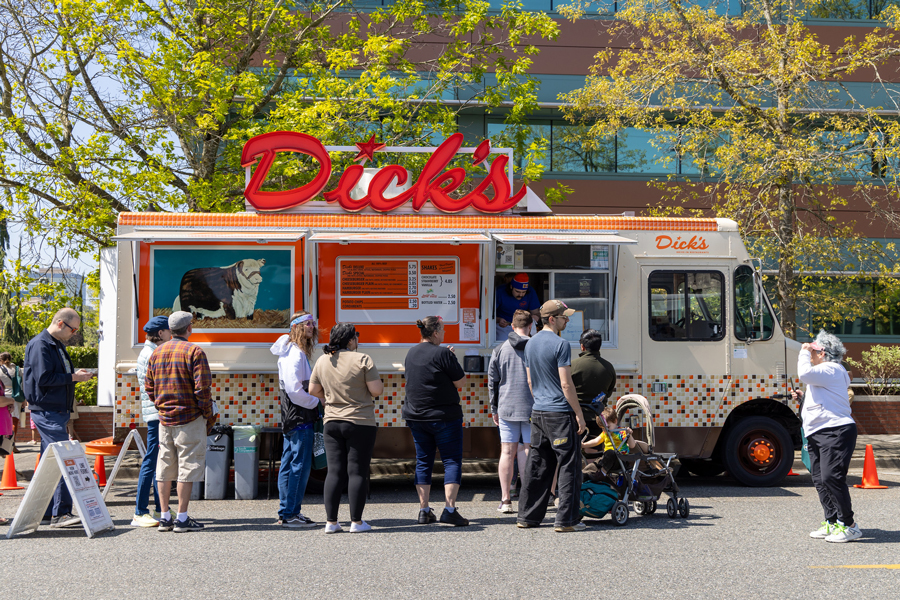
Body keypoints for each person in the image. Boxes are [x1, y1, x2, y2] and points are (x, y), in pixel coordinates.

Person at [517, 299, 587, 533]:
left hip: (539, 412)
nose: (567, 320)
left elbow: (529, 380)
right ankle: (565, 521)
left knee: (538, 464)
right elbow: (566, 385)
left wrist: (540, 402)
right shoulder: (561, 344)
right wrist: (579, 414)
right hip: (560, 413)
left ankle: (527, 516)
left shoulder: (529, 344)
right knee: (569, 465)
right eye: (564, 317)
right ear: (551, 319)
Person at [23, 307, 95, 527]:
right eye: (74, 329)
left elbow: (51, 376)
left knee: (50, 462)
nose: (75, 334)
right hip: (47, 409)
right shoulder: (41, 344)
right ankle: (61, 513)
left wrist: (74, 376)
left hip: (53, 409)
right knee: (65, 458)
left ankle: (43, 511)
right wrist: (75, 377)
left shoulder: (54, 345)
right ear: (61, 323)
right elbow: (44, 378)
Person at [145, 311, 215, 533]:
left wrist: (161, 406)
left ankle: (165, 516)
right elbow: (202, 388)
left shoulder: (157, 352)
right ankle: (182, 518)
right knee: (188, 466)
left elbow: (149, 386)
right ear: (189, 328)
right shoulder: (195, 351)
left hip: (165, 419)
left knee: (164, 467)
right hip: (190, 417)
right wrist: (207, 413)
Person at [309, 322, 382, 534]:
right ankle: (356, 523)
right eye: (356, 338)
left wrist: (329, 398)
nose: (357, 341)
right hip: (360, 422)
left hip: (331, 422)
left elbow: (313, 389)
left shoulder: (323, 360)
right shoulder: (363, 359)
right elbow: (376, 390)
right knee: (357, 472)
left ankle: (331, 523)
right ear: (350, 340)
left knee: (334, 472)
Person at [793, 331, 861, 543]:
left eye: (813, 349)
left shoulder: (830, 368)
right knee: (820, 479)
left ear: (822, 353)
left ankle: (849, 525)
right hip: (819, 431)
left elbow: (803, 374)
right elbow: (825, 396)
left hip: (835, 431)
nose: (810, 351)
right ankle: (832, 522)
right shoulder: (827, 372)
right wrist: (804, 397)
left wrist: (802, 353)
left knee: (831, 477)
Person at [402, 316, 469, 526]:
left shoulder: (411, 352)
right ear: (435, 333)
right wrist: (451, 358)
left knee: (423, 461)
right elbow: (461, 382)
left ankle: (424, 510)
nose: (445, 334)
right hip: (444, 417)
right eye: (444, 330)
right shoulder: (443, 353)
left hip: (416, 416)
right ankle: (449, 510)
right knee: (451, 461)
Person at [270, 311, 320, 529]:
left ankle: (287, 511)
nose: (312, 326)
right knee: (299, 466)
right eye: (307, 323)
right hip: (300, 417)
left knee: (289, 464)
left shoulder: (291, 351)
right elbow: (294, 390)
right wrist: (316, 402)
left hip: (291, 417)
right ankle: (291, 513)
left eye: (312, 323)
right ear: (297, 327)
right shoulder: (295, 354)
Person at [488, 309, 534, 514]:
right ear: (530, 326)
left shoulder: (499, 350)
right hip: (533, 407)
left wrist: (494, 408)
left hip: (507, 407)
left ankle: (506, 500)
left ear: (512, 326)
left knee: (507, 452)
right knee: (528, 451)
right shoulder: (536, 347)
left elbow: (493, 382)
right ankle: (528, 498)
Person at [130, 315, 171, 527]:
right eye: (169, 331)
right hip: (157, 413)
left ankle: (158, 508)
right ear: (161, 333)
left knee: (158, 461)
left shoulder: (148, 351)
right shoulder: (152, 353)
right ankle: (140, 511)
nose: (171, 334)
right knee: (151, 460)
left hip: (154, 412)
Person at [583, 405, 654, 474]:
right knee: (593, 465)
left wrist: (629, 435)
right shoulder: (605, 433)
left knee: (610, 453)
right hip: (607, 459)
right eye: (602, 428)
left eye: (608, 427)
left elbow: (632, 445)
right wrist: (583, 445)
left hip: (620, 460)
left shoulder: (621, 432)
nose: (605, 430)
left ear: (615, 421)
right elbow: (596, 441)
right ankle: (584, 475)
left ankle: (602, 473)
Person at [571, 329, 616, 405]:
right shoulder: (608, 367)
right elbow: (608, 393)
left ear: (582, 346)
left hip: (577, 413)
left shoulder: (573, 365)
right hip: (600, 413)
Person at [495, 273, 540, 341]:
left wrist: (535, 317)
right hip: (502, 327)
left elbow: (536, 313)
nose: (521, 295)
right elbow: (488, 315)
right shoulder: (500, 291)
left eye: (523, 292)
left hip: (522, 327)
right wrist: (498, 320)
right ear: (511, 287)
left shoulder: (531, 292)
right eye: (517, 291)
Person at [0, 353, 24, 453]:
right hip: (15, 396)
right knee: (14, 422)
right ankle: (12, 444)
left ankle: (4, 444)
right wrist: (24, 399)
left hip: (4, 395)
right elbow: (22, 383)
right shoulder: (17, 369)